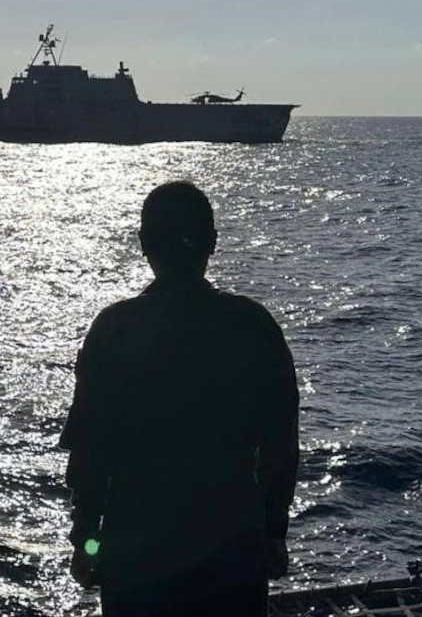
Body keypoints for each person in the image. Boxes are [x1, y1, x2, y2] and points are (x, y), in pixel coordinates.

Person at [60, 181, 299, 617]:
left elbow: (92, 451)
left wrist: (87, 541)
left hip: (138, 554)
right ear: (213, 242)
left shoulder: (115, 330)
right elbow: (281, 445)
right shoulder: (254, 326)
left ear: (143, 244)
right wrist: (272, 533)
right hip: (232, 550)